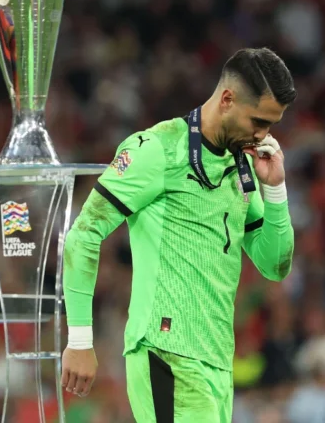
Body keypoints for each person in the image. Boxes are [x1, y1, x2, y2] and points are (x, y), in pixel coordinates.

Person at [61, 47, 297, 422]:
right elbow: (84, 233)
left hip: (216, 362)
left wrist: (276, 189)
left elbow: (274, 265)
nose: (263, 135)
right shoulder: (158, 149)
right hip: (166, 352)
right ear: (227, 99)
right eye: (258, 121)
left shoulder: (242, 168)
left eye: (271, 125)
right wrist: (79, 340)